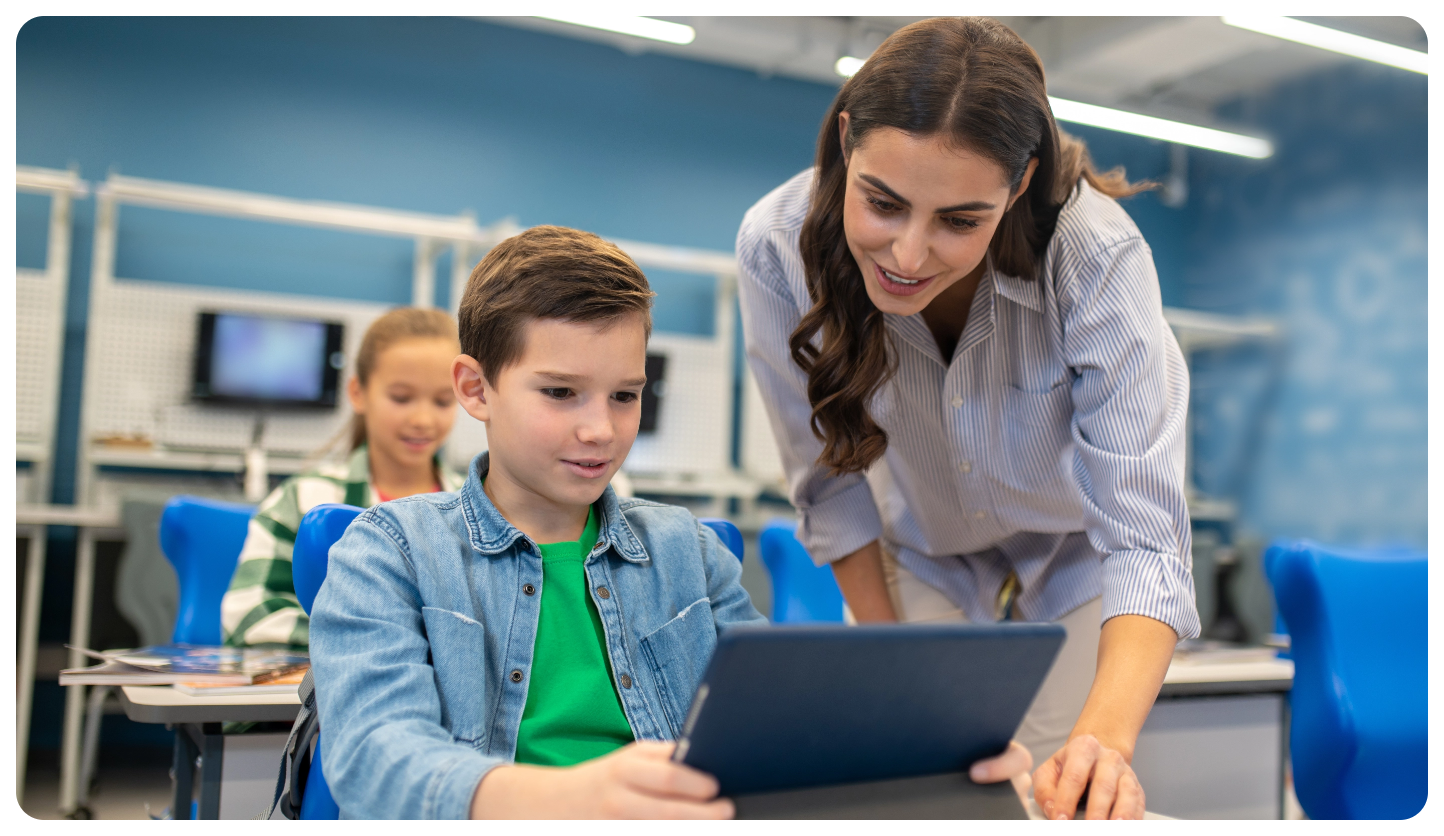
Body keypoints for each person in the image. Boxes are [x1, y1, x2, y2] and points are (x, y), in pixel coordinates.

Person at [307, 226, 1033, 819]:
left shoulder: (689, 553)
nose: (600, 429)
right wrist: (568, 799)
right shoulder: (389, 551)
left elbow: (780, 726)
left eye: (625, 395)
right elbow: (375, 758)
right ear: (475, 388)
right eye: (561, 392)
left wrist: (936, 751)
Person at [736, 17, 1200, 821]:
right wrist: (898, 680)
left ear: (1019, 186)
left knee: (1059, 795)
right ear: (848, 142)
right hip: (922, 549)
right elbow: (829, 488)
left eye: (960, 220)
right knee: (924, 791)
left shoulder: (1097, 258)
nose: (908, 256)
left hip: (1079, 554)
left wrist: (1105, 747)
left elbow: (1143, 536)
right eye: (882, 203)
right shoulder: (777, 246)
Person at [221, 307, 467, 648]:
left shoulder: (480, 508)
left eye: (442, 401)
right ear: (358, 393)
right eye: (401, 398)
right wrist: (384, 639)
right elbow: (248, 617)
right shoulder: (303, 500)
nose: (423, 419)